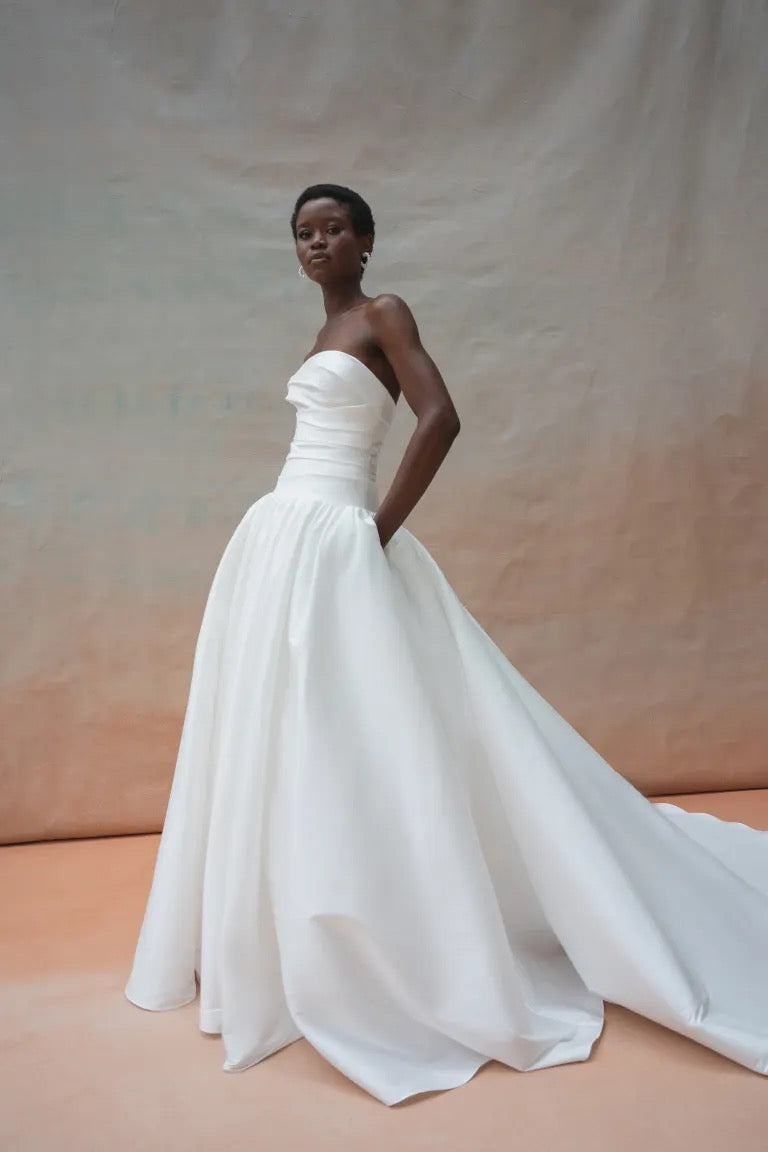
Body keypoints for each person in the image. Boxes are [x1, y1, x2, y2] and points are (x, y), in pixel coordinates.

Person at [126, 183, 768, 1105]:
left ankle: (391, 933)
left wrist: (375, 530)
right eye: (303, 233)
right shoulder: (322, 333)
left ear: (367, 241)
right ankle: (277, 929)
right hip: (280, 539)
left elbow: (441, 417)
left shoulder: (385, 314)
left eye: (335, 228)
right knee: (285, 726)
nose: (318, 243)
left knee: (363, 730)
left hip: (338, 535)